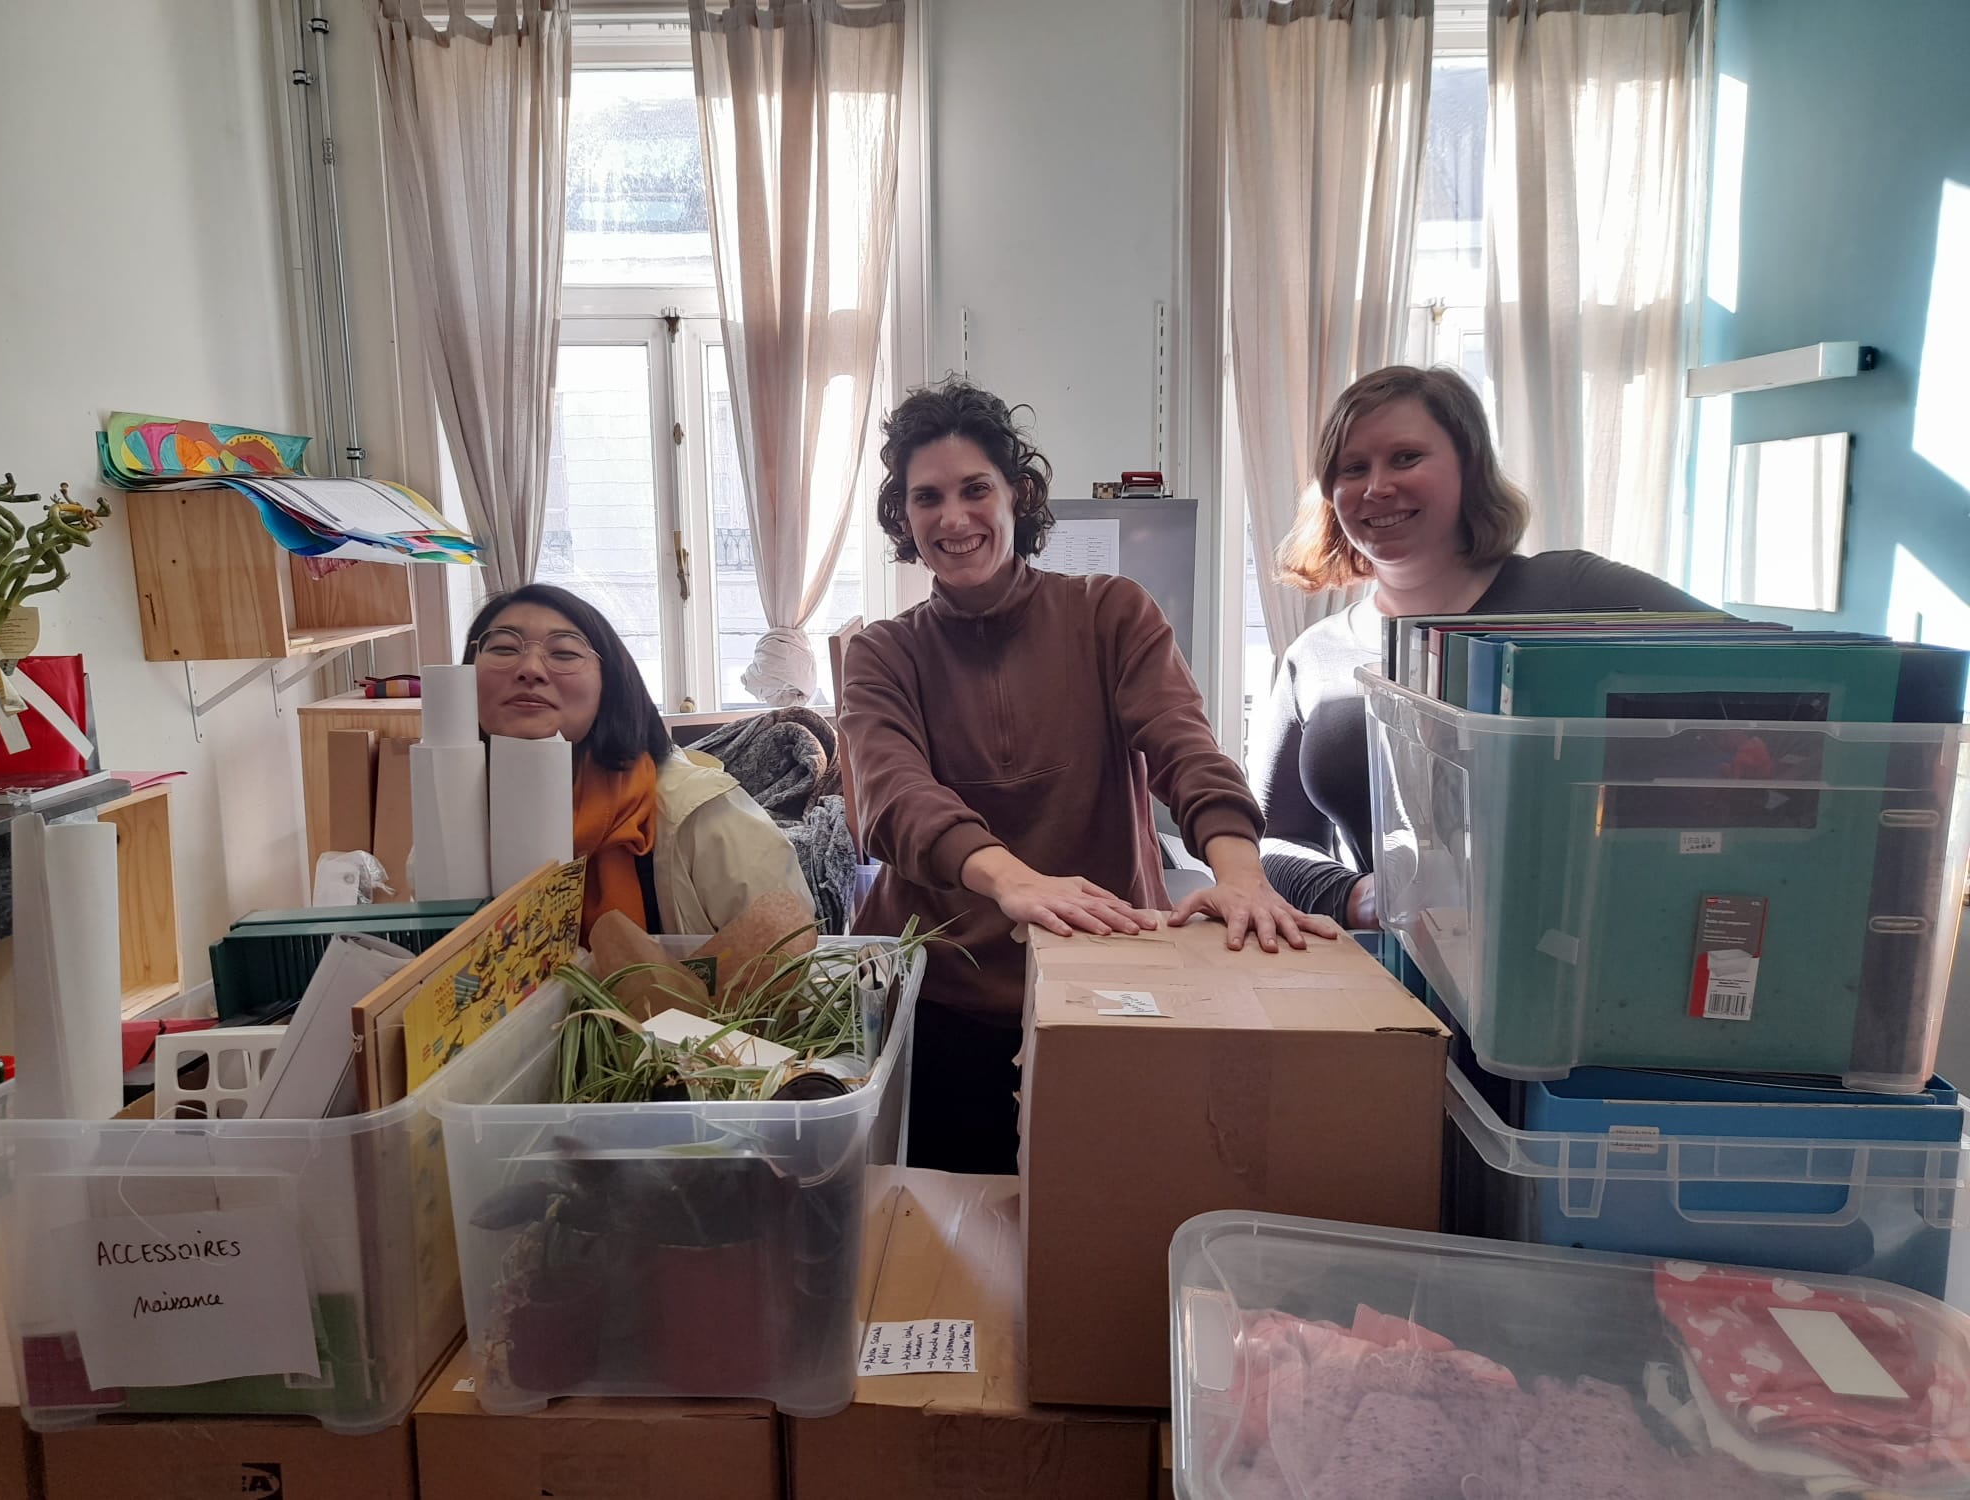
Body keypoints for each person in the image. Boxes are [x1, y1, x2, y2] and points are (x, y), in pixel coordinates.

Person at [842, 380, 1339, 1175]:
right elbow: (892, 796)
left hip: (1106, 982)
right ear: (903, 518)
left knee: (1102, 1207)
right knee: (957, 1224)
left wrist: (1243, 878)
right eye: (926, 498)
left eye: (975, 489)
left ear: (1019, 494)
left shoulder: (1111, 613)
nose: (953, 518)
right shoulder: (883, 653)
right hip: (942, 1002)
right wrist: (1012, 880)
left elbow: (1184, 747)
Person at [1247, 365, 1707, 927]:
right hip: (1402, 970)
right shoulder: (1316, 655)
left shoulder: (1572, 593)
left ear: (1470, 466)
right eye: (1353, 468)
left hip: (1597, 951)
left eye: (1406, 458)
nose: (1377, 487)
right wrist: (1354, 895)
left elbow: (1773, 679)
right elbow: (1275, 842)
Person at [463, 583, 812, 939]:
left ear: (610, 682)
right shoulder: (454, 810)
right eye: (503, 648)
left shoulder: (699, 813)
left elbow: (790, 953)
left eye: (564, 653)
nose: (529, 669)